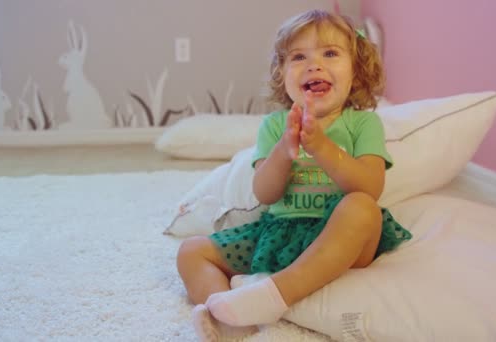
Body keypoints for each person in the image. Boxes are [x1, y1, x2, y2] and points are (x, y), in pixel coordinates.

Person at [176, 9, 412, 341]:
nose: (314, 65)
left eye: (330, 53)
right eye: (299, 57)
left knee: (362, 207)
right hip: (279, 233)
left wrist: (320, 147)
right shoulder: (275, 125)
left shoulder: (363, 123)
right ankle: (231, 322)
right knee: (191, 251)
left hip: (339, 237)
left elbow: (369, 187)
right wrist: (285, 150)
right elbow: (265, 194)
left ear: (356, 72)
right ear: (283, 76)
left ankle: (273, 295)